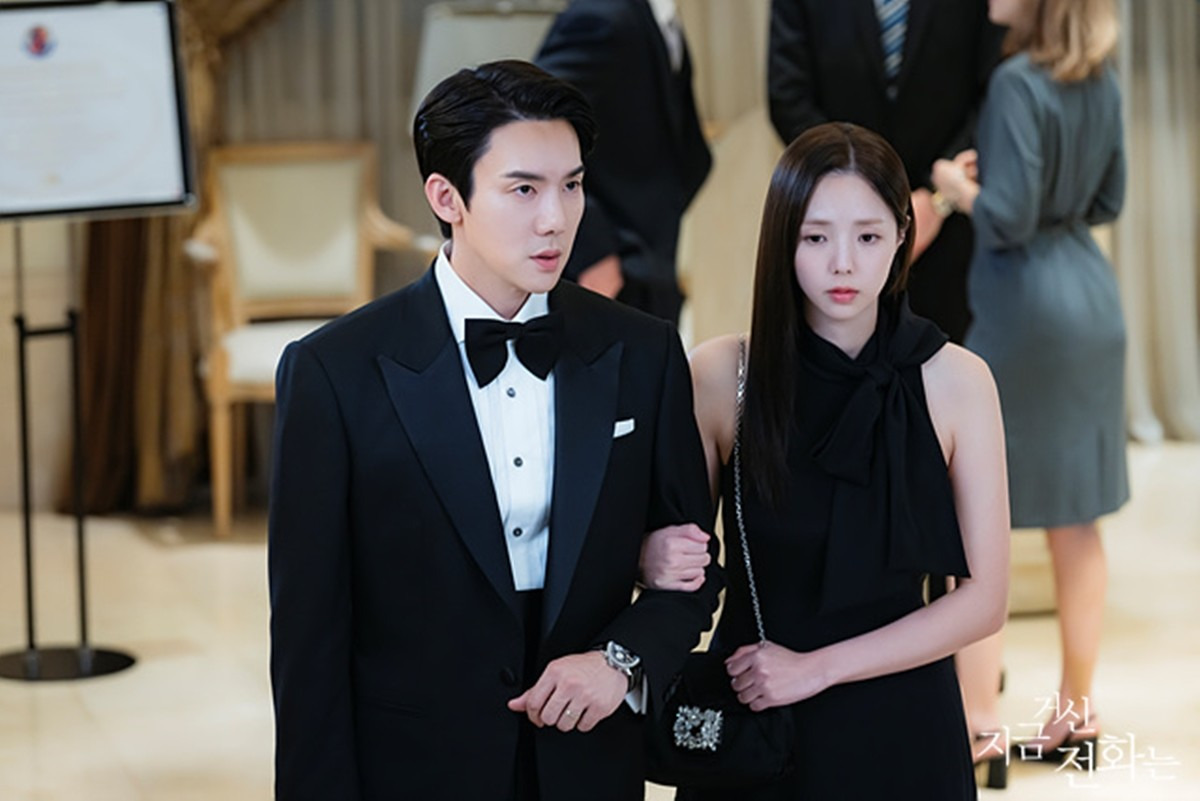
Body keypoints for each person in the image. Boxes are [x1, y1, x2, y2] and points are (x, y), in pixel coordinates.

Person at [268, 60, 722, 801]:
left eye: (571, 185)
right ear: (446, 197)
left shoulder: (642, 351)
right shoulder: (334, 372)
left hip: (587, 768)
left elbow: (692, 575)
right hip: (414, 770)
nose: (557, 219)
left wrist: (618, 662)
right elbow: (307, 641)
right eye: (523, 190)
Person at [642, 121, 1010, 798]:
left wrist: (818, 668)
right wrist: (649, 557)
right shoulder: (722, 375)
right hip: (757, 714)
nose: (843, 263)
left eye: (868, 237)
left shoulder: (958, 381)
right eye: (816, 237)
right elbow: (674, 555)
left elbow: (984, 601)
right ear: (783, 240)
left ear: (903, 235)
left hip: (904, 721)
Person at [931, 0, 1125, 782]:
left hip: (1025, 309)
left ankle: (979, 724)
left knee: (982, 519)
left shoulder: (1016, 82)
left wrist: (954, 184)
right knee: (1076, 518)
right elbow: (1108, 200)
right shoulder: (1101, 79)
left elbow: (1007, 219)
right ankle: (1077, 711)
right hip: (1091, 292)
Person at [767, 0, 1004, 343]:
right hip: (837, 222)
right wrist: (860, 191)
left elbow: (992, 95)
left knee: (942, 355)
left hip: (949, 227)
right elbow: (787, 96)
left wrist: (936, 197)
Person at [535, 0, 712, 325]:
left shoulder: (659, 18)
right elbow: (534, 126)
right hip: (608, 270)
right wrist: (592, 248)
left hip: (649, 262)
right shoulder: (600, 17)